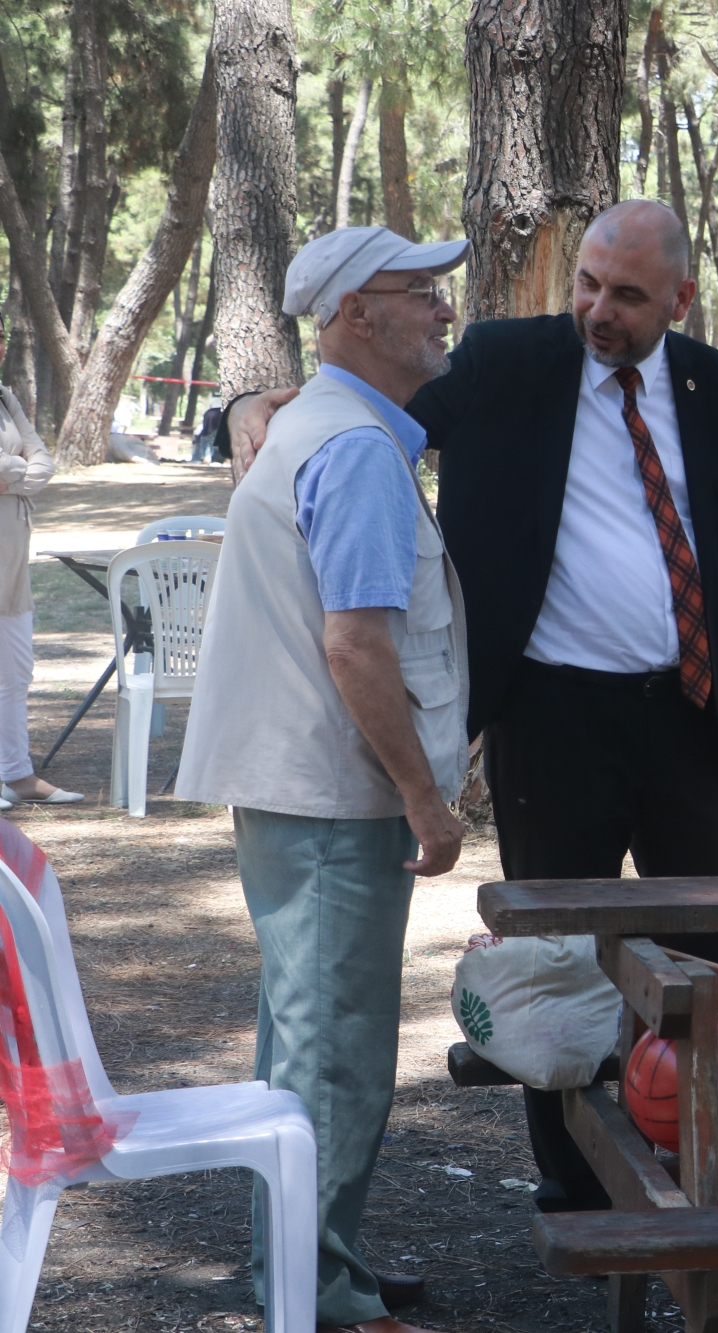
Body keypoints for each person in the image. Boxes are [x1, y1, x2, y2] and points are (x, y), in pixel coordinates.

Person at [219, 201, 718, 1217]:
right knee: (553, 957)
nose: (598, 310)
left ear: (680, 299)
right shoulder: (501, 361)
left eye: (626, 295)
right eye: (587, 284)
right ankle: (577, 1182)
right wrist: (246, 404)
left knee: (709, 950)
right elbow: (361, 400)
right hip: (551, 715)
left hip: (690, 711)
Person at [178, 225, 475, 1333]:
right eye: (421, 291)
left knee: (304, 1036)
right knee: (335, 1050)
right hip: (332, 794)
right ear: (357, 313)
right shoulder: (351, 448)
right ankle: (317, 1289)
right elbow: (354, 645)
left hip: (301, 789)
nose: (444, 309)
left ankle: (307, 1263)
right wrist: (424, 797)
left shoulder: (322, 426)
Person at [0, 355, 75, 810]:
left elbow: (43, 463)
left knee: (16, 670)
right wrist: (16, 468)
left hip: (11, 562)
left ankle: (17, 775)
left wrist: (10, 475)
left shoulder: (5, 397)